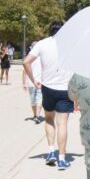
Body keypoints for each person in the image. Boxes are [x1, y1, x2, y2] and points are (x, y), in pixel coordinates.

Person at [23, 22, 74, 170]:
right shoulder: (70, 44)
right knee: (62, 124)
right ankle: (62, 159)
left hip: (48, 88)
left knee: (49, 120)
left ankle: (51, 151)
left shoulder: (42, 44)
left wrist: (33, 80)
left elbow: (26, 62)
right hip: (65, 88)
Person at [22, 41, 43, 123]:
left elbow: (24, 72)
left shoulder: (28, 58)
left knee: (33, 100)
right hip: (40, 82)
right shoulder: (42, 57)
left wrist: (24, 83)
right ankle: (37, 115)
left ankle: (35, 115)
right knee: (39, 99)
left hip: (31, 82)